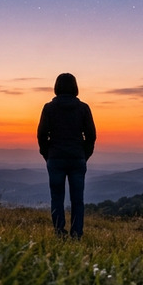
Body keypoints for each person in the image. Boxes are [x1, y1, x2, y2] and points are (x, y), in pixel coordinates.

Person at [37, 72, 96, 239]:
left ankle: (59, 232)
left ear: (56, 87)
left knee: (56, 197)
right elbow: (91, 135)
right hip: (77, 157)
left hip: (55, 157)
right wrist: (84, 155)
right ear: (75, 87)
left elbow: (41, 134)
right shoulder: (83, 108)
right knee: (78, 199)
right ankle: (77, 234)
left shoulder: (49, 108)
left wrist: (47, 154)